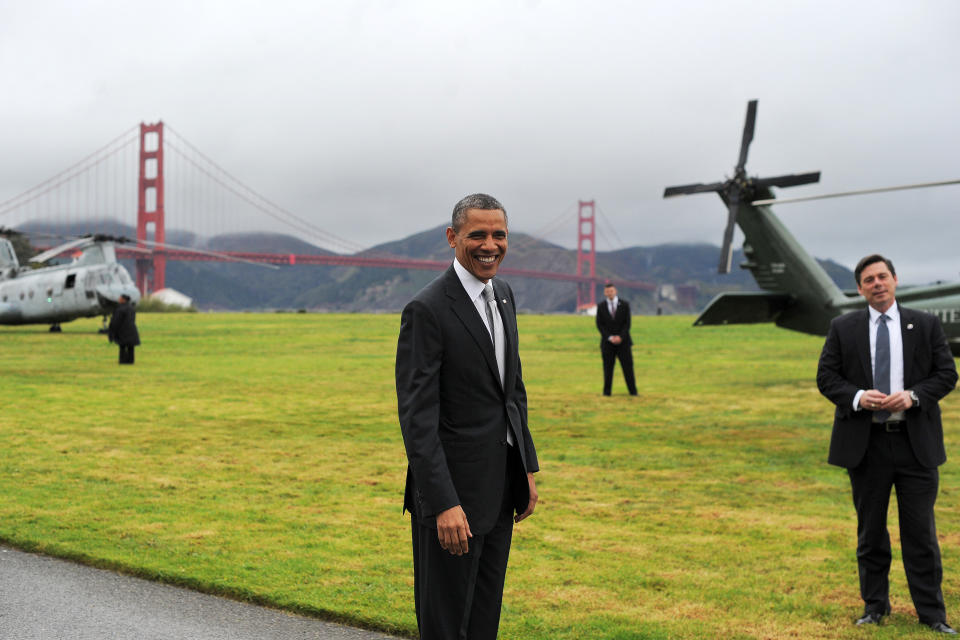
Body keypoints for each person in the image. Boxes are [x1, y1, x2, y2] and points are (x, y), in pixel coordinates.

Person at [395, 193, 539, 639]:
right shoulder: (427, 309)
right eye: (478, 234)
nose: (489, 245)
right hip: (452, 502)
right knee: (445, 627)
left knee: (483, 622)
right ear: (452, 237)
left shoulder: (505, 295)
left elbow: (512, 391)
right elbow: (417, 420)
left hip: (499, 493)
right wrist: (443, 503)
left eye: (499, 235)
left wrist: (526, 469)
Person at [816, 254, 958, 633]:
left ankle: (932, 615)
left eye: (882, 276)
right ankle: (874, 607)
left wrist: (913, 396)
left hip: (916, 446)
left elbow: (947, 374)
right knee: (871, 533)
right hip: (867, 446)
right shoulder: (843, 327)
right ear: (860, 288)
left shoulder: (924, 325)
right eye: (868, 280)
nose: (877, 284)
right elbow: (826, 377)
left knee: (921, 535)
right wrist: (860, 397)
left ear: (895, 280)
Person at [595, 282, 637, 396]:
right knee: (608, 369)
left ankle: (633, 392)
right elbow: (599, 324)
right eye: (607, 291)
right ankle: (607, 392)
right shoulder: (601, 306)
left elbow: (627, 324)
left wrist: (620, 337)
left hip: (623, 343)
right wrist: (609, 337)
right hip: (607, 343)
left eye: (611, 291)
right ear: (605, 293)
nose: (609, 293)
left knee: (628, 368)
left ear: (615, 291)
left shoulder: (625, 304)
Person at [108, 293, 140, 365]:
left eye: (120, 298)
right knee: (131, 347)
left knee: (122, 346)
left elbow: (116, 321)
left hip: (123, 330)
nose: (119, 299)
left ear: (123, 300)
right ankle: (130, 361)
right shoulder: (131, 308)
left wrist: (112, 331)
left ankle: (123, 361)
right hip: (132, 330)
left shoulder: (120, 309)